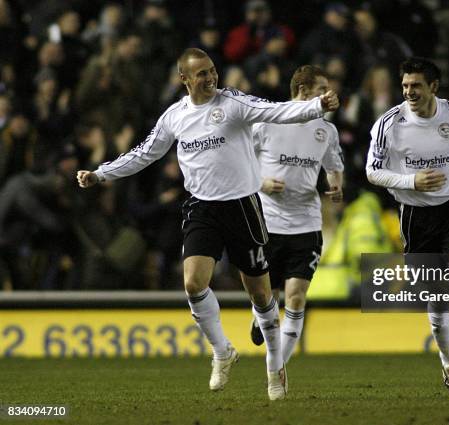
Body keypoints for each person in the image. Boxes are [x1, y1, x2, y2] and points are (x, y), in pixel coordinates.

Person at [76, 48, 339, 401]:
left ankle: (275, 368)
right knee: (193, 283)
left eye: (212, 71)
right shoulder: (175, 117)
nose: (210, 78)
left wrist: (316, 107)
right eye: (201, 74)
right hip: (202, 208)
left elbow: (276, 111)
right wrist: (100, 173)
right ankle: (222, 351)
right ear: (184, 79)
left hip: (243, 207)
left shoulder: (233, 103)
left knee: (261, 295)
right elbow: (143, 154)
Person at [365, 57, 449, 395]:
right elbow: (371, 171)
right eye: (405, 86)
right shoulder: (389, 123)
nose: (409, 92)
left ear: (434, 88)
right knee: (436, 296)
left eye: (416, 85)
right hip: (414, 215)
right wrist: (412, 181)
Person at [248, 65, 344, 363]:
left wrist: (336, 184)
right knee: (266, 296)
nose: (327, 95)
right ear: (303, 92)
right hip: (267, 223)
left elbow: (334, 165)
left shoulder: (325, 130)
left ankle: (277, 368)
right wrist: (261, 182)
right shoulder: (268, 121)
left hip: (306, 222)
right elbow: (238, 163)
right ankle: (261, 314)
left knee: (297, 297)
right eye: (321, 89)